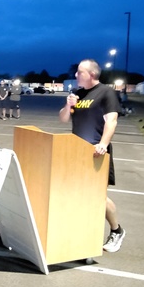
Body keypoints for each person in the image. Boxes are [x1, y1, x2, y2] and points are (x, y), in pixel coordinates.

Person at [59, 59, 124, 252]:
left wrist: (103, 144)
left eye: (80, 72)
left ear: (92, 74)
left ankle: (116, 230)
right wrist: (67, 105)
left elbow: (111, 120)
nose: (76, 75)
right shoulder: (76, 94)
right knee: (78, 194)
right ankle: (82, 233)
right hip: (76, 152)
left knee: (98, 196)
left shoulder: (106, 92)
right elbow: (64, 119)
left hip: (96, 152)